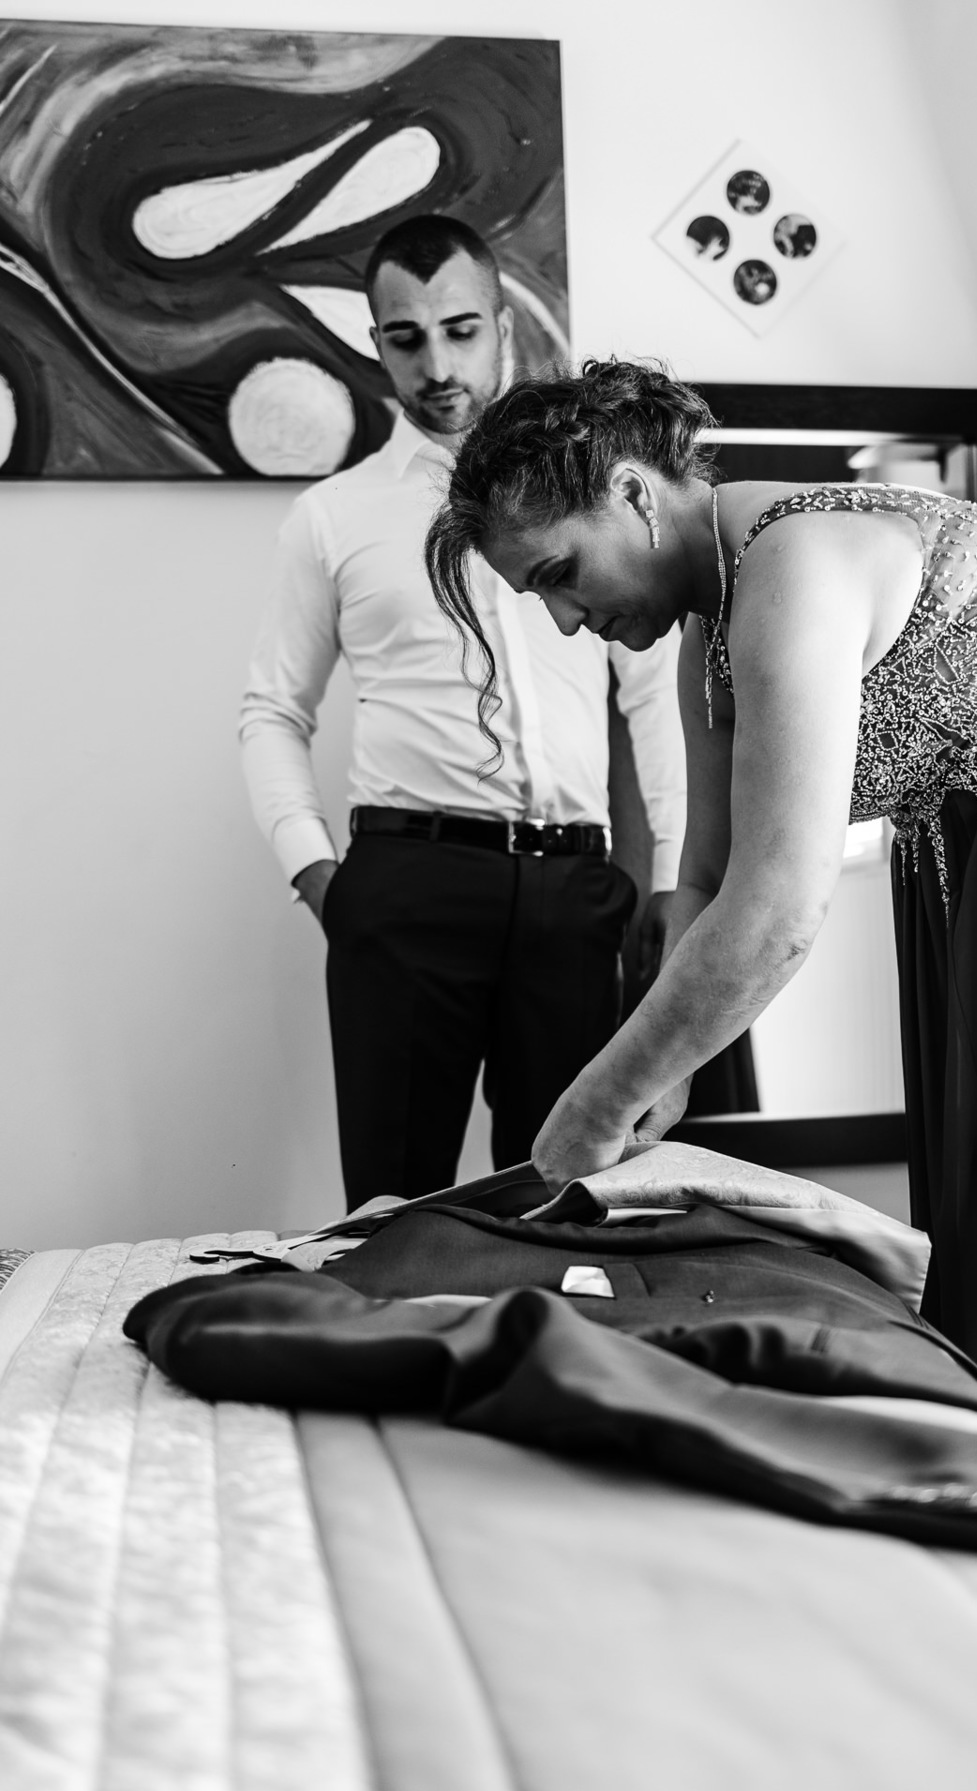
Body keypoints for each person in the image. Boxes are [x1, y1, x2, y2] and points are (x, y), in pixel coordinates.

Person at [424, 356, 977, 1534]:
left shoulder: (793, 565)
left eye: (560, 575)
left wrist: (597, 1100)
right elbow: (707, 876)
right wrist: (663, 1072)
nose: (568, 621)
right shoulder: (713, 627)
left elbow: (780, 909)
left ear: (633, 494)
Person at [240, 233, 685, 1209]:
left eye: (460, 329)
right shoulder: (332, 517)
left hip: (574, 892)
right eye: (406, 338)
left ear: (503, 327)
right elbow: (273, 710)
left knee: (567, 1198)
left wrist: (669, 876)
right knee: (393, 1213)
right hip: (407, 891)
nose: (437, 365)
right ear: (376, 344)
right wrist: (318, 878)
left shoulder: (589, 503)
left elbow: (652, 689)